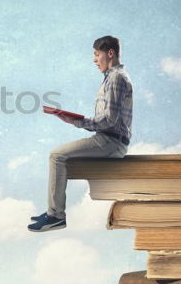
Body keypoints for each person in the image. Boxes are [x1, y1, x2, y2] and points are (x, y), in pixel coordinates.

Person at [28, 35, 133, 232]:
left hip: (111, 142)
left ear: (110, 53)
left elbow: (109, 120)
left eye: (97, 54)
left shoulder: (116, 78)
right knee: (61, 156)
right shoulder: (112, 77)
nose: (94, 60)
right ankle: (53, 210)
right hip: (108, 139)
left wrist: (77, 121)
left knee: (57, 156)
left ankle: (56, 216)